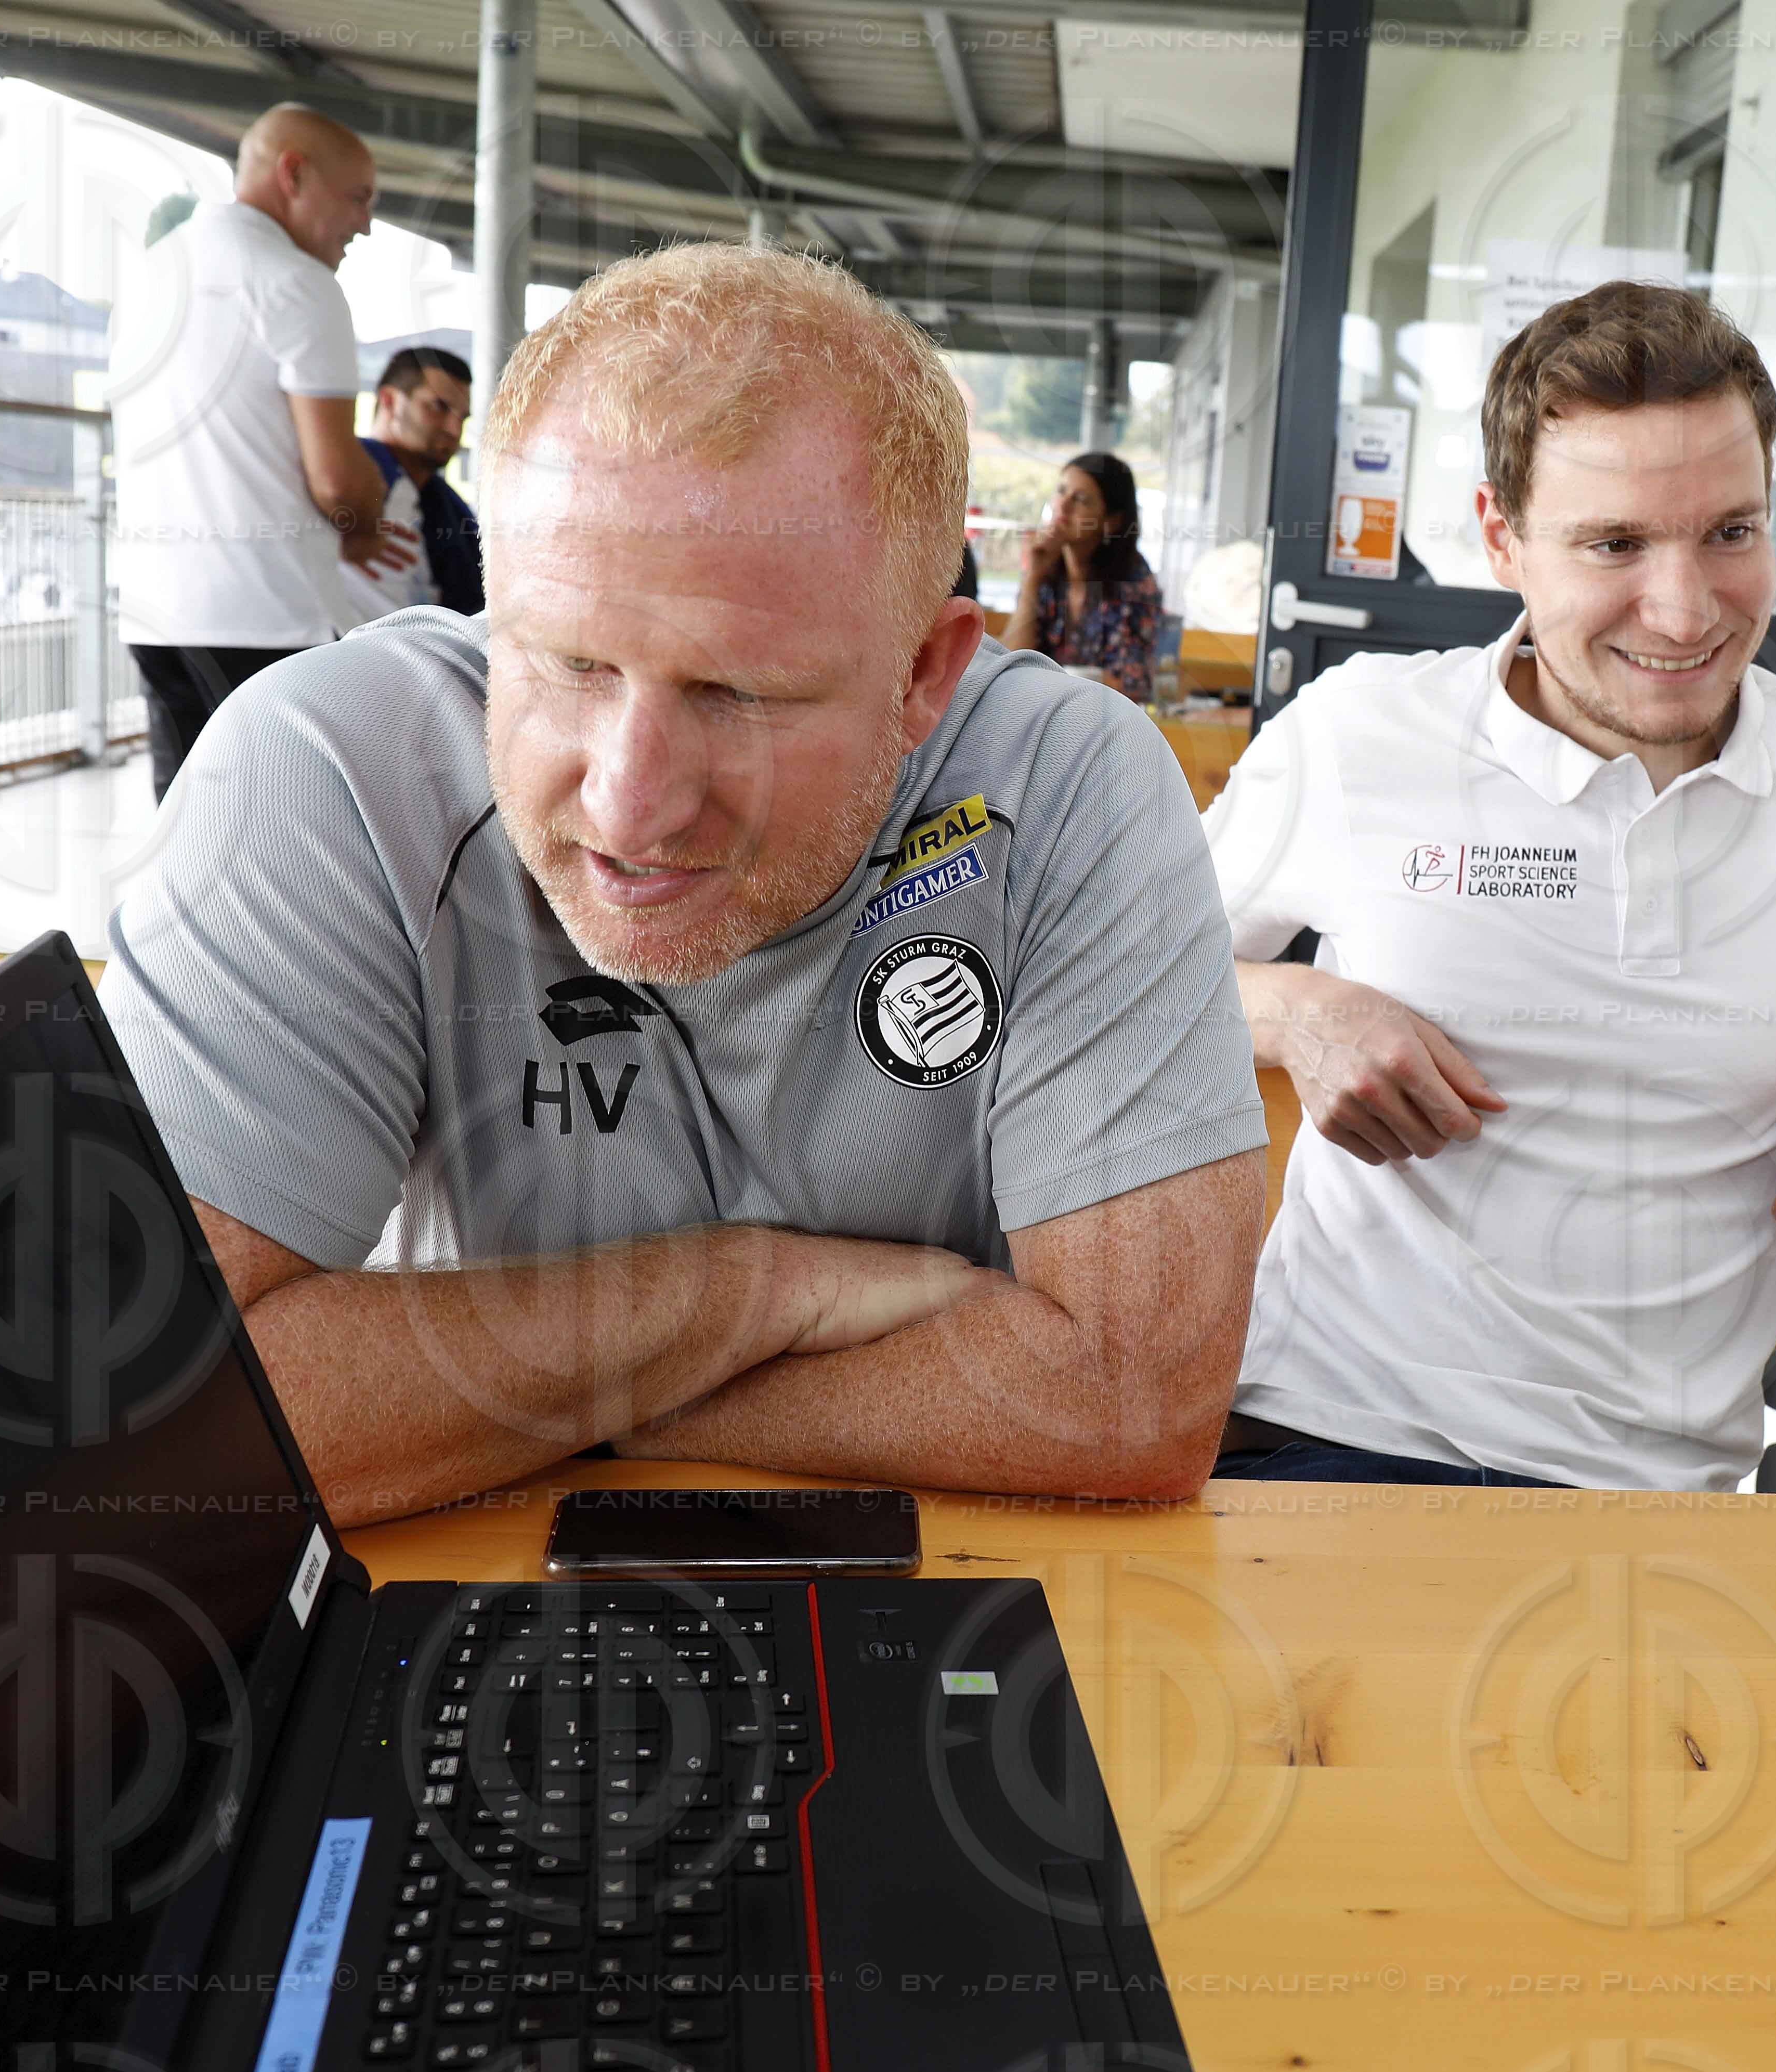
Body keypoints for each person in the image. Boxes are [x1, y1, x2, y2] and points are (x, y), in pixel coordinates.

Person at [98, 245, 1268, 1527]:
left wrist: (488, 1391)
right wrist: (748, 1295)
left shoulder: (1066, 784)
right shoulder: (323, 769)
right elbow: (166, 1423)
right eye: (566, 664)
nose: (627, 802)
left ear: (925, 676)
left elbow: (1133, 1399)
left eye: (741, 693)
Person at [1200, 281, 1776, 1490]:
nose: (1687, 608)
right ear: (1502, 539)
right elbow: (1121, 986)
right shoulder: (1357, 733)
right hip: (1337, 1440)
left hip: (1659, 1498)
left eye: (1731, 533)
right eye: (1615, 544)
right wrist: (1303, 1013)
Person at [108, 103, 391, 798]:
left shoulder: (150, 278)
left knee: (186, 826)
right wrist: (367, 523)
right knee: (283, 838)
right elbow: (338, 484)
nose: (365, 224)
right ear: (293, 173)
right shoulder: (297, 283)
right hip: (268, 618)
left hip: (157, 610)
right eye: (358, 198)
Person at [999, 450, 1163, 704]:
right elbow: (1013, 662)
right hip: (1042, 711)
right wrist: (1033, 577)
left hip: (1105, 723)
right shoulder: (1047, 566)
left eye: (1082, 499)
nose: (1063, 506)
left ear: (1112, 522)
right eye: (1061, 491)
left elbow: (1131, 685)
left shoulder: (1135, 584)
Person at [340, 345, 483, 620]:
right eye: (438, 407)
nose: (455, 429)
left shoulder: (448, 504)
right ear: (390, 401)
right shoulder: (344, 478)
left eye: (462, 418)